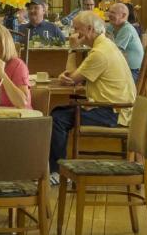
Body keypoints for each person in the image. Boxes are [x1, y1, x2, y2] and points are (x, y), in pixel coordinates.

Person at [49, 11, 136, 185]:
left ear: (89, 29)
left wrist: (73, 48)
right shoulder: (104, 45)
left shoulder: (99, 53)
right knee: (60, 112)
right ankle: (57, 168)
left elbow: (70, 80)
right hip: (115, 107)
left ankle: (58, 172)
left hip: (113, 112)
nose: (73, 33)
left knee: (57, 118)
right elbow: (73, 76)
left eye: (76, 29)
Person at [106, 3, 144, 82]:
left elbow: (115, 51)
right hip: (124, 68)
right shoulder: (113, 26)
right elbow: (101, 34)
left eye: (113, 13)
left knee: (102, 80)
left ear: (123, 16)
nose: (109, 15)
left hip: (133, 72)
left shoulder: (127, 29)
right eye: (109, 12)